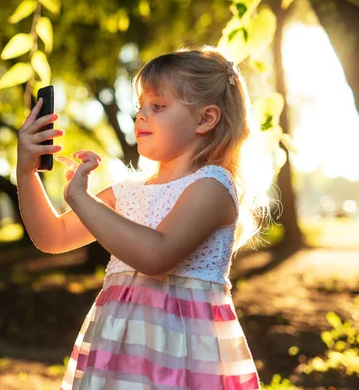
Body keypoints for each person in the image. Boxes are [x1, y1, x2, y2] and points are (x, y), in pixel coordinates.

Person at [16, 46, 269, 389]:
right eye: (140, 107)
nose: (142, 116)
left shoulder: (212, 186)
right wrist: (27, 173)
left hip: (181, 358)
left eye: (158, 106)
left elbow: (155, 255)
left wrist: (81, 198)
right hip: (119, 353)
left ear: (206, 119)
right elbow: (52, 237)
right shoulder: (127, 192)